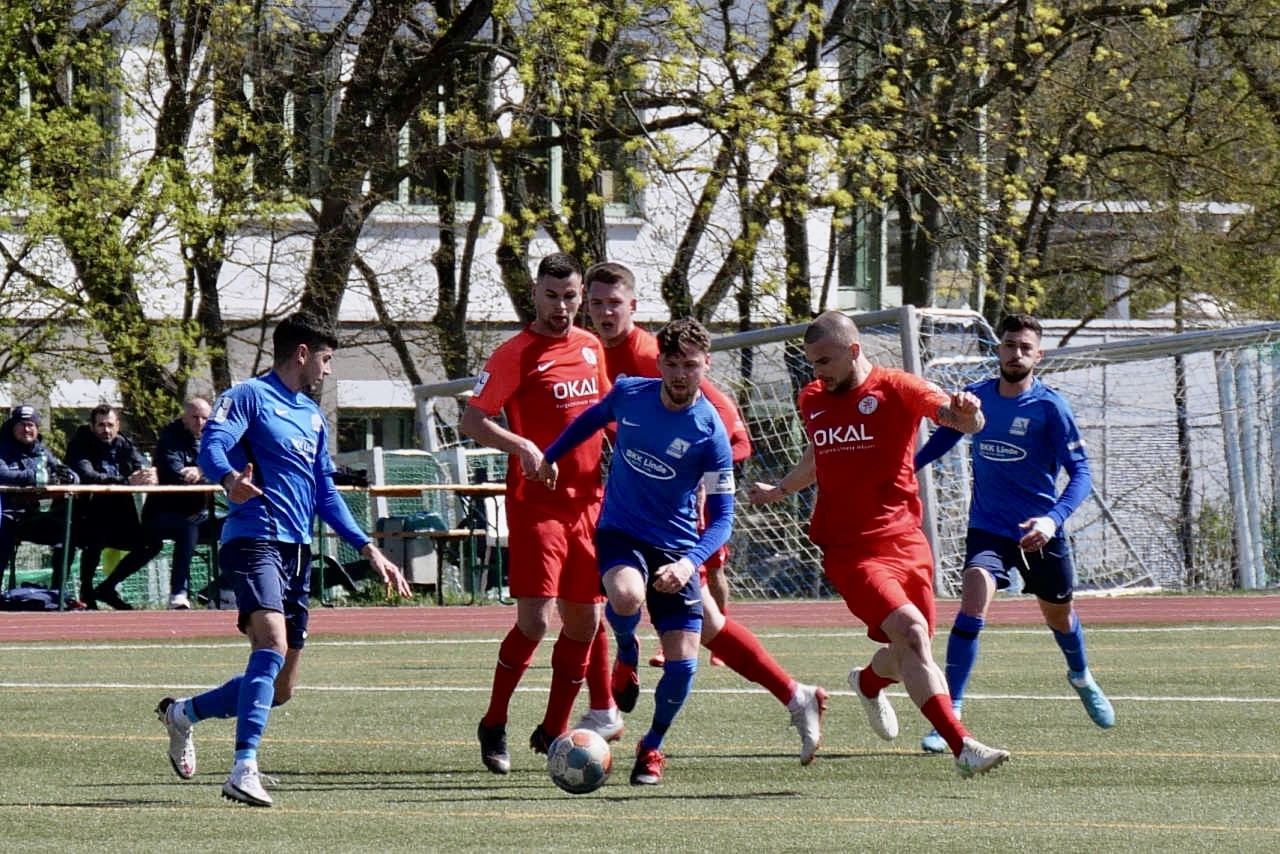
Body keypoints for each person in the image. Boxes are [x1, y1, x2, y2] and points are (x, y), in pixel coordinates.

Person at [154, 311, 411, 807]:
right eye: (326, 359)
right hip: (254, 538)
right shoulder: (249, 396)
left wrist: (367, 547)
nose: (328, 370)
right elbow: (212, 446)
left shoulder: (311, 416)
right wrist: (230, 480)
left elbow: (325, 493)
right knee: (270, 642)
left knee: (280, 688)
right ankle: (243, 768)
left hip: (297, 552)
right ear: (303, 354)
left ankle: (183, 714)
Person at [747, 310, 1011, 778]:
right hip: (850, 550)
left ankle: (867, 683)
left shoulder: (898, 387)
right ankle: (963, 747)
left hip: (907, 543)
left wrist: (970, 414)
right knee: (911, 631)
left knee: (910, 651)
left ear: (853, 351)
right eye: (812, 363)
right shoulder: (813, 397)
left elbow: (957, 419)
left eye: (825, 361)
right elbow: (817, 456)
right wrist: (780, 490)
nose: (817, 373)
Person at [585, 261, 827, 765]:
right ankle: (794, 694)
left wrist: (697, 483)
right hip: (631, 503)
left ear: (633, 306)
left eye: (614, 303)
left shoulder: (652, 355)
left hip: (674, 513)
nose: (605, 312)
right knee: (707, 622)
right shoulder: (592, 351)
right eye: (597, 303)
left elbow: (725, 428)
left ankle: (618, 707)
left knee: (684, 619)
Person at [536, 318, 737, 784]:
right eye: (673, 364)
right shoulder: (630, 394)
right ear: (659, 363)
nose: (681, 374)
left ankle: (652, 747)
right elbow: (591, 418)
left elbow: (723, 520)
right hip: (621, 530)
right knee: (626, 595)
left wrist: (689, 564)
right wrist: (551, 455)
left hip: (679, 547)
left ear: (706, 364)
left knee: (683, 665)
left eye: (690, 365)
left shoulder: (710, 431)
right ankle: (627, 649)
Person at [914, 313, 1114, 753]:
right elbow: (947, 436)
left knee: (1059, 617)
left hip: (1039, 532)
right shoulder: (978, 398)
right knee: (973, 597)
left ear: (1038, 355)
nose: (1016, 353)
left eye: (1025, 348)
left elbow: (1081, 473)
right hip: (988, 527)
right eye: (1009, 345)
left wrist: (1052, 519)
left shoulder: (1050, 407)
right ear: (998, 349)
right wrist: (908, 468)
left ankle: (1081, 676)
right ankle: (951, 715)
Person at [461, 252, 623, 776]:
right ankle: (493, 722)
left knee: (586, 622)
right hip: (537, 507)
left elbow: (605, 415)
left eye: (570, 296)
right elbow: (472, 421)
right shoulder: (515, 353)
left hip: (589, 505)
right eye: (551, 296)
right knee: (533, 622)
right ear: (535, 294)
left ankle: (554, 729)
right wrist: (524, 446)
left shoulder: (591, 347)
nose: (561, 306)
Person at [65, 404, 159, 610]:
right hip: (86, 514)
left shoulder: (124, 443)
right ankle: (87, 593)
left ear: (118, 425)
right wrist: (125, 481)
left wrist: (148, 473)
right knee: (95, 538)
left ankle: (107, 587)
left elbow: (140, 464)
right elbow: (87, 474)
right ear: (92, 426)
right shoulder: (80, 444)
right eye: (101, 425)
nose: (106, 430)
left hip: (121, 515)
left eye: (110, 425)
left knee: (152, 544)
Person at [140, 396, 222, 610]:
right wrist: (208, 473)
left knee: (241, 526)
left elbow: (227, 470)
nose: (200, 422)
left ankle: (220, 590)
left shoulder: (216, 439)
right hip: (162, 515)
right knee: (188, 529)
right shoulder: (170, 441)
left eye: (205, 418)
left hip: (200, 515)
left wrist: (202, 471)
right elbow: (177, 475)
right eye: (195, 417)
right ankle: (178, 593)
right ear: (184, 418)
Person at [0, 404, 78, 590]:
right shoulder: (2, 447)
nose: (26, 429)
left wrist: (69, 476)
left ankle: (57, 593)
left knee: (67, 534)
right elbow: (3, 475)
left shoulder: (41, 450)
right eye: (22, 424)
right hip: (6, 515)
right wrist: (34, 476)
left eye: (31, 425)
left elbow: (65, 471)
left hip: (30, 516)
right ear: (13, 427)